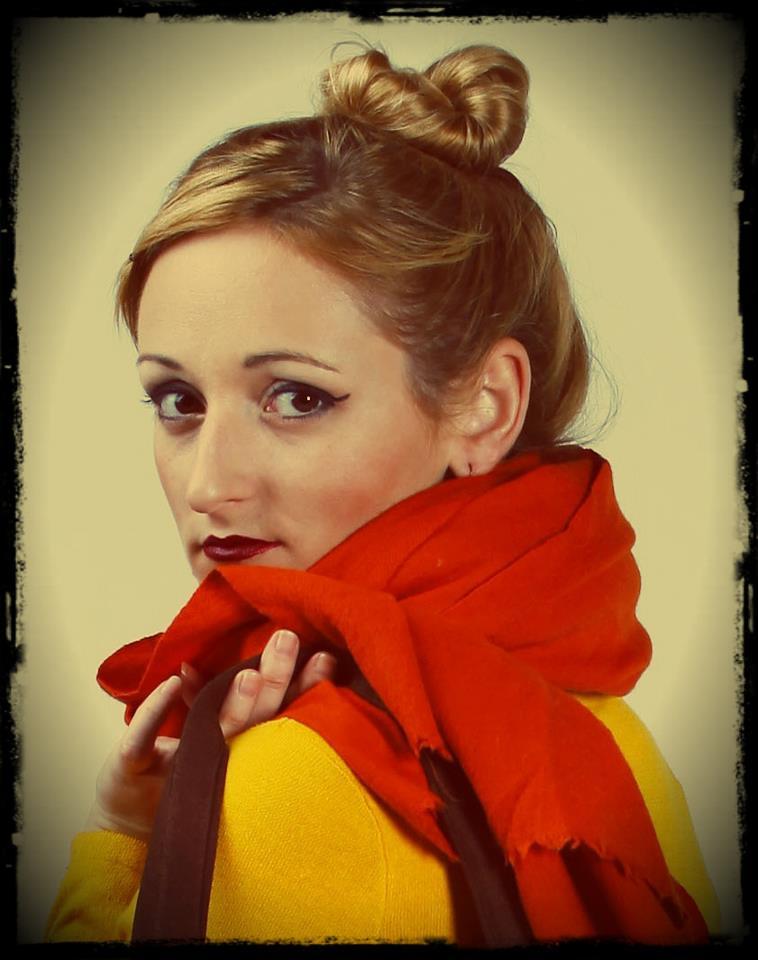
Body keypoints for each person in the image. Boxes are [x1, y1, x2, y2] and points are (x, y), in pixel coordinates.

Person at [44, 43, 719, 945]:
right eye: (178, 401)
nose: (208, 483)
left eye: (296, 398)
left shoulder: (282, 789)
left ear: (485, 406)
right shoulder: (618, 747)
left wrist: (121, 837)